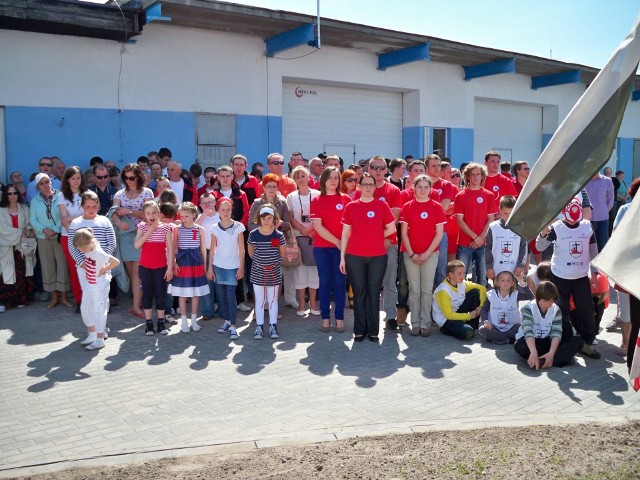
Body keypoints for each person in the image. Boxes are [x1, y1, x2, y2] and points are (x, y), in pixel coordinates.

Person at [536, 196, 601, 359]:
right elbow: (539, 246)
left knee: (586, 310)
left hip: (580, 276)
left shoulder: (587, 226)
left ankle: (586, 343)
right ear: (565, 213)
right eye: (570, 221)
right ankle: (565, 342)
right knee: (560, 310)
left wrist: (594, 271)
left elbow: (593, 249)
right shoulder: (556, 227)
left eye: (575, 220)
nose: (573, 223)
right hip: (560, 276)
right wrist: (542, 234)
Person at [340, 173, 396, 342]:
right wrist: (342, 258)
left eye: (371, 184)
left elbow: (391, 228)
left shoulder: (381, 205)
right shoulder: (351, 206)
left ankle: (373, 331)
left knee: (373, 293)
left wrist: (377, 237)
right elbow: (345, 234)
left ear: (375, 187)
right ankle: (359, 330)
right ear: (359, 186)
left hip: (377, 256)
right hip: (354, 256)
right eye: (365, 184)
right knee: (359, 293)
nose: (368, 187)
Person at [357, 156, 402, 332]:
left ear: (386, 170)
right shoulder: (362, 190)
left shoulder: (393, 191)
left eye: (381, 168)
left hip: (389, 243)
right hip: (365, 246)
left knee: (390, 282)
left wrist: (381, 239)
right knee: (369, 284)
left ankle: (390, 317)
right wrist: (375, 239)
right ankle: (369, 317)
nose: (377, 170)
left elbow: (395, 219)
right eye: (374, 167)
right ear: (368, 169)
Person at [399, 175, 445, 337]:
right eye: (420, 187)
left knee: (426, 290)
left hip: (430, 254)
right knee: (414, 290)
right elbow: (403, 233)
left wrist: (426, 254)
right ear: (414, 188)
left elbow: (439, 234)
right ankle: (415, 323)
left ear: (431, 189)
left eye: (426, 187)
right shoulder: (407, 206)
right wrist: (411, 253)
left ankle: (425, 323)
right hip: (410, 254)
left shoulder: (437, 207)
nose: (423, 190)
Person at [310, 166, 351, 333]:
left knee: (340, 283)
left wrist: (343, 245)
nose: (334, 180)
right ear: (323, 180)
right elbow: (318, 228)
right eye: (330, 177)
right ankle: (325, 318)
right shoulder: (317, 200)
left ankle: (339, 318)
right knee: (325, 283)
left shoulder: (347, 199)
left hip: (341, 249)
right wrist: (337, 242)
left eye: (336, 177)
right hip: (323, 249)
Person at [112, 163, 155, 318]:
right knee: (131, 272)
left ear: (138, 177)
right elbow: (113, 212)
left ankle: (137, 305)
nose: (128, 180)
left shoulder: (147, 193)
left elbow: (149, 214)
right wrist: (118, 222)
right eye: (125, 178)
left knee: (137, 273)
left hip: (141, 234)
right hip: (124, 235)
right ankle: (139, 300)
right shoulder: (119, 194)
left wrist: (128, 211)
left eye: (131, 177)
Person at [514, 281, 584, 368]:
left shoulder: (555, 309)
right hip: (531, 341)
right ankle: (559, 359)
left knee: (578, 341)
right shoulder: (528, 308)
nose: (548, 304)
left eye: (551, 301)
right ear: (538, 298)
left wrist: (551, 353)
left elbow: (556, 333)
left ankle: (546, 358)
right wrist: (533, 352)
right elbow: (528, 332)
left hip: (548, 340)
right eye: (545, 301)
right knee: (519, 346)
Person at [248, 173, 293, 308]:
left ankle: (274, 306)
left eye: (274, 186)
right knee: (258, 277)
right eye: (269, 186)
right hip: (260, 244)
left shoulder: (282, 202)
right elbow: (250, 225)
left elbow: (288, 224)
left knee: (276, 276)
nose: (271, 189)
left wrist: (280, 224)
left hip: (276, 245)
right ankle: (259, 308)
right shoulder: (257, 203)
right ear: (264, 188)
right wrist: (264, 227)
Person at [67, 191, 117, 312]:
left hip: (102, 267)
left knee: (103, 296)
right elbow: (72, 246)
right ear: (82, 206)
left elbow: (112, 243)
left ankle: (102, 325)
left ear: (98, 206)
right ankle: (93, 326)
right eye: (88, 207)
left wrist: (103, 262)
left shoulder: (104, 221)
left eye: (94, 206)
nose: (91, 209)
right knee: (89, 295)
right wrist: (83, 264)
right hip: (85, 268)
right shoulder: (76, 223)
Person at [72, 228, 120, 350]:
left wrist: (104, 270)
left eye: (83, 249)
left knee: (99, 311)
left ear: (91, 243)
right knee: (85, 308)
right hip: (90, 284)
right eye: (80, 249)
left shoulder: (99, 253)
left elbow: (115, 262)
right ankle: (92, 333)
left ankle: (100, 339)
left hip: (99, 286)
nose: (82, 251)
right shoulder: (88, 249)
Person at [29, 173, 71, 308]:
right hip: (43, 237)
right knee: (48, 266)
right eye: (42, 183)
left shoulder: (61, 196)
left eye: (47, 182)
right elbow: (33, 220)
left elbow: (65, 215)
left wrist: (54, 229)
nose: (45, 185)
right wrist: (44, 231)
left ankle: (64, 297)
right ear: (37, 187)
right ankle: (53, 297)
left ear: (51, 182)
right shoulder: (35, 201)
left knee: (62, 264)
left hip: (59, 235)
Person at [134, 201, 174, 336]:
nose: (151, 216)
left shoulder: (166, 228)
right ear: (144, 215)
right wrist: (150, 230)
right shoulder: (142, 227)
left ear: (159, 213)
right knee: (147, 295)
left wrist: (170, 268)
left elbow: (170, 249)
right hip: (145, 267)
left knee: (161, 295)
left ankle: (161, 323)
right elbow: (137, 245)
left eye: (154, 213)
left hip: (161, 267)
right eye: (148, 213)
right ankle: (149, 323)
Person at [168, 202, 209, 333]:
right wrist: (174, 263)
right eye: (182, 216)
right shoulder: (177, 229)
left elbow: (203, 248)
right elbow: (174, 248)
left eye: (186, 216)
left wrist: (205, 265)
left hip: (196, 262)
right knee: (182, 292)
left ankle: (194, 321)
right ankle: (184, 321)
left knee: (196, 292)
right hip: (182, 262)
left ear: (193, 215)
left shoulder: (199, 229)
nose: (183, 219)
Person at [454, 163, 498, 286]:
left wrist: (481, 238)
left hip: (483, 243)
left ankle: (481, 304)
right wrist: (475, 237)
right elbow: (460, 221)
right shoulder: (460, 196)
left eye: (478, 174)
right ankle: (461, 303)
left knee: (482, 278)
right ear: (467, 177)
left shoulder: (489, 195)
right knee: (460, 277)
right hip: (464, 243)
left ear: (482, 176)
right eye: (472, 174)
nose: (475, 177)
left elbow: (491, 219)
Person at [209, 198, 245, 340]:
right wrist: (210, 268)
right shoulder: (214, 228)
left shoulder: (238, 227)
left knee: (231, 295)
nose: (225, 212)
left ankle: (233, 326)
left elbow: (241, 249)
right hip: (218, 266)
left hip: (233, 266)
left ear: (232, 210)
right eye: (222, 209)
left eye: (228, 209)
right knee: (222, 296)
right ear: (218, 211)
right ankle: (227, 321)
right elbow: (212, 249)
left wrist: (241, 267)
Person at [248, 205, 286, 340]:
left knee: (273, 300)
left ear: (274, 219)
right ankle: (259, 326)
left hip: (274, 272)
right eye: (263, 218)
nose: (266, 221)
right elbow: (251, 251)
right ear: (259, 219)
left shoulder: (278, 235)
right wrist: (261, 263)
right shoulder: (253, 234)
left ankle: (273, 326)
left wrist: (271, 264)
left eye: (269, 218)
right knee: (259, 300)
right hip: (258, 271)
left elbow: (282, 253)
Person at [286, 166, 320, 317]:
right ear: (294, 180)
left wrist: (311, 229)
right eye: (297, 176)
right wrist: (302, 229)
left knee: (314, 271)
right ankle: (301, 303)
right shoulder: (291, 197)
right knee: (299, 272)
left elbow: (321, 215)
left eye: (303, 175)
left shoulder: (318, 194)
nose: (301, 178)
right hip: (298, 237)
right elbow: (290, 217)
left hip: (315, 236)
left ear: (308, 177)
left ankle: (313, 303)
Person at [0, 184, 35, 311]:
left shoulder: (24, 208)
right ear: (5, 195)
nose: (12, 195)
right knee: (7, 274)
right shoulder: (1, 211)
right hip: (7, 247)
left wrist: (29, 230)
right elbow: (3, 229)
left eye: (14, 193)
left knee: (22, 273)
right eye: (9, 193)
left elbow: (29, 223)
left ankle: (21, 300)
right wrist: (20, 232)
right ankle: (6, 302)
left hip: (22, 246)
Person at [432, 260, 487, 340]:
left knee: (475, 292)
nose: (463, 276)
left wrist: (481, 306)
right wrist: (468, 316)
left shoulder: (461, 282)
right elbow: (449, 315)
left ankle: (472, 326)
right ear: (451, 275)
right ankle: (446, 329)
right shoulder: (443, 291)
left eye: (464, 273)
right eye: (459, 273)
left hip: (457, 312)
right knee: (467, 333)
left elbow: (482, 288)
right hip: (446, 319)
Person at [58, 166, 87, 311]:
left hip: (88, 238)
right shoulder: (61, 196)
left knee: (90, 268)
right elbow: (64, 220)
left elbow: (90, 215)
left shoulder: (87, 194)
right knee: (75, 269)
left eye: (78, 178)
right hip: (69, 237)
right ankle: (79, 301)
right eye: (73, 178)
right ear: (67, 180)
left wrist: (72, 218)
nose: (76, 181)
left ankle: (91, 300)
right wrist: (76, 234)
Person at [479, 270, 533, 344]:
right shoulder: (491, 294)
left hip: (512, 327)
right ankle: (508, 340)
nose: (505, 283)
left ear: (512, 283)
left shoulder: (515, 294)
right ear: (497, 282)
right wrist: (486, 321)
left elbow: (530, 296)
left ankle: (498, 338)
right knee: (483, 329)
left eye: (508, 281)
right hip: (495, 326)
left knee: (524, 329)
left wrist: (521, 281)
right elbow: (484, 309)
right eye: (502, 280)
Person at [485, 195, 527, 281]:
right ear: (500, 210)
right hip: (497, 270)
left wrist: (520, 265)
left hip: (515, 271)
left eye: (511, 213)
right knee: (498, 292)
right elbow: (488, 248)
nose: (508, 217)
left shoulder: (520, 227)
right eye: (505, 213)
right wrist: (489, 267)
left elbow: (523, 248)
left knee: (514, 293)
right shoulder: (493, 227)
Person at [196, 193, 220, 321]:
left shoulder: (220, 216)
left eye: (209, 202)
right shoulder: (200, 217)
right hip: (204, 252)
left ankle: (223, 309)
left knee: (220, 283)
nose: (207, 205)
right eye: (204, 203)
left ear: (215, 202)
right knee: (206, 283)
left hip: (220, 252)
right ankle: (207, 311)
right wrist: (204, 215)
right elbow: (194, 229)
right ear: (200, 205)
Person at [584, 171, 615, 252]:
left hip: (602, 220)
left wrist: (604, 211)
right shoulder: (583, 181)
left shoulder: (607, 181)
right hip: (586, 220)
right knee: (587, 247)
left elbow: (610, 200)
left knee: (602, 246)